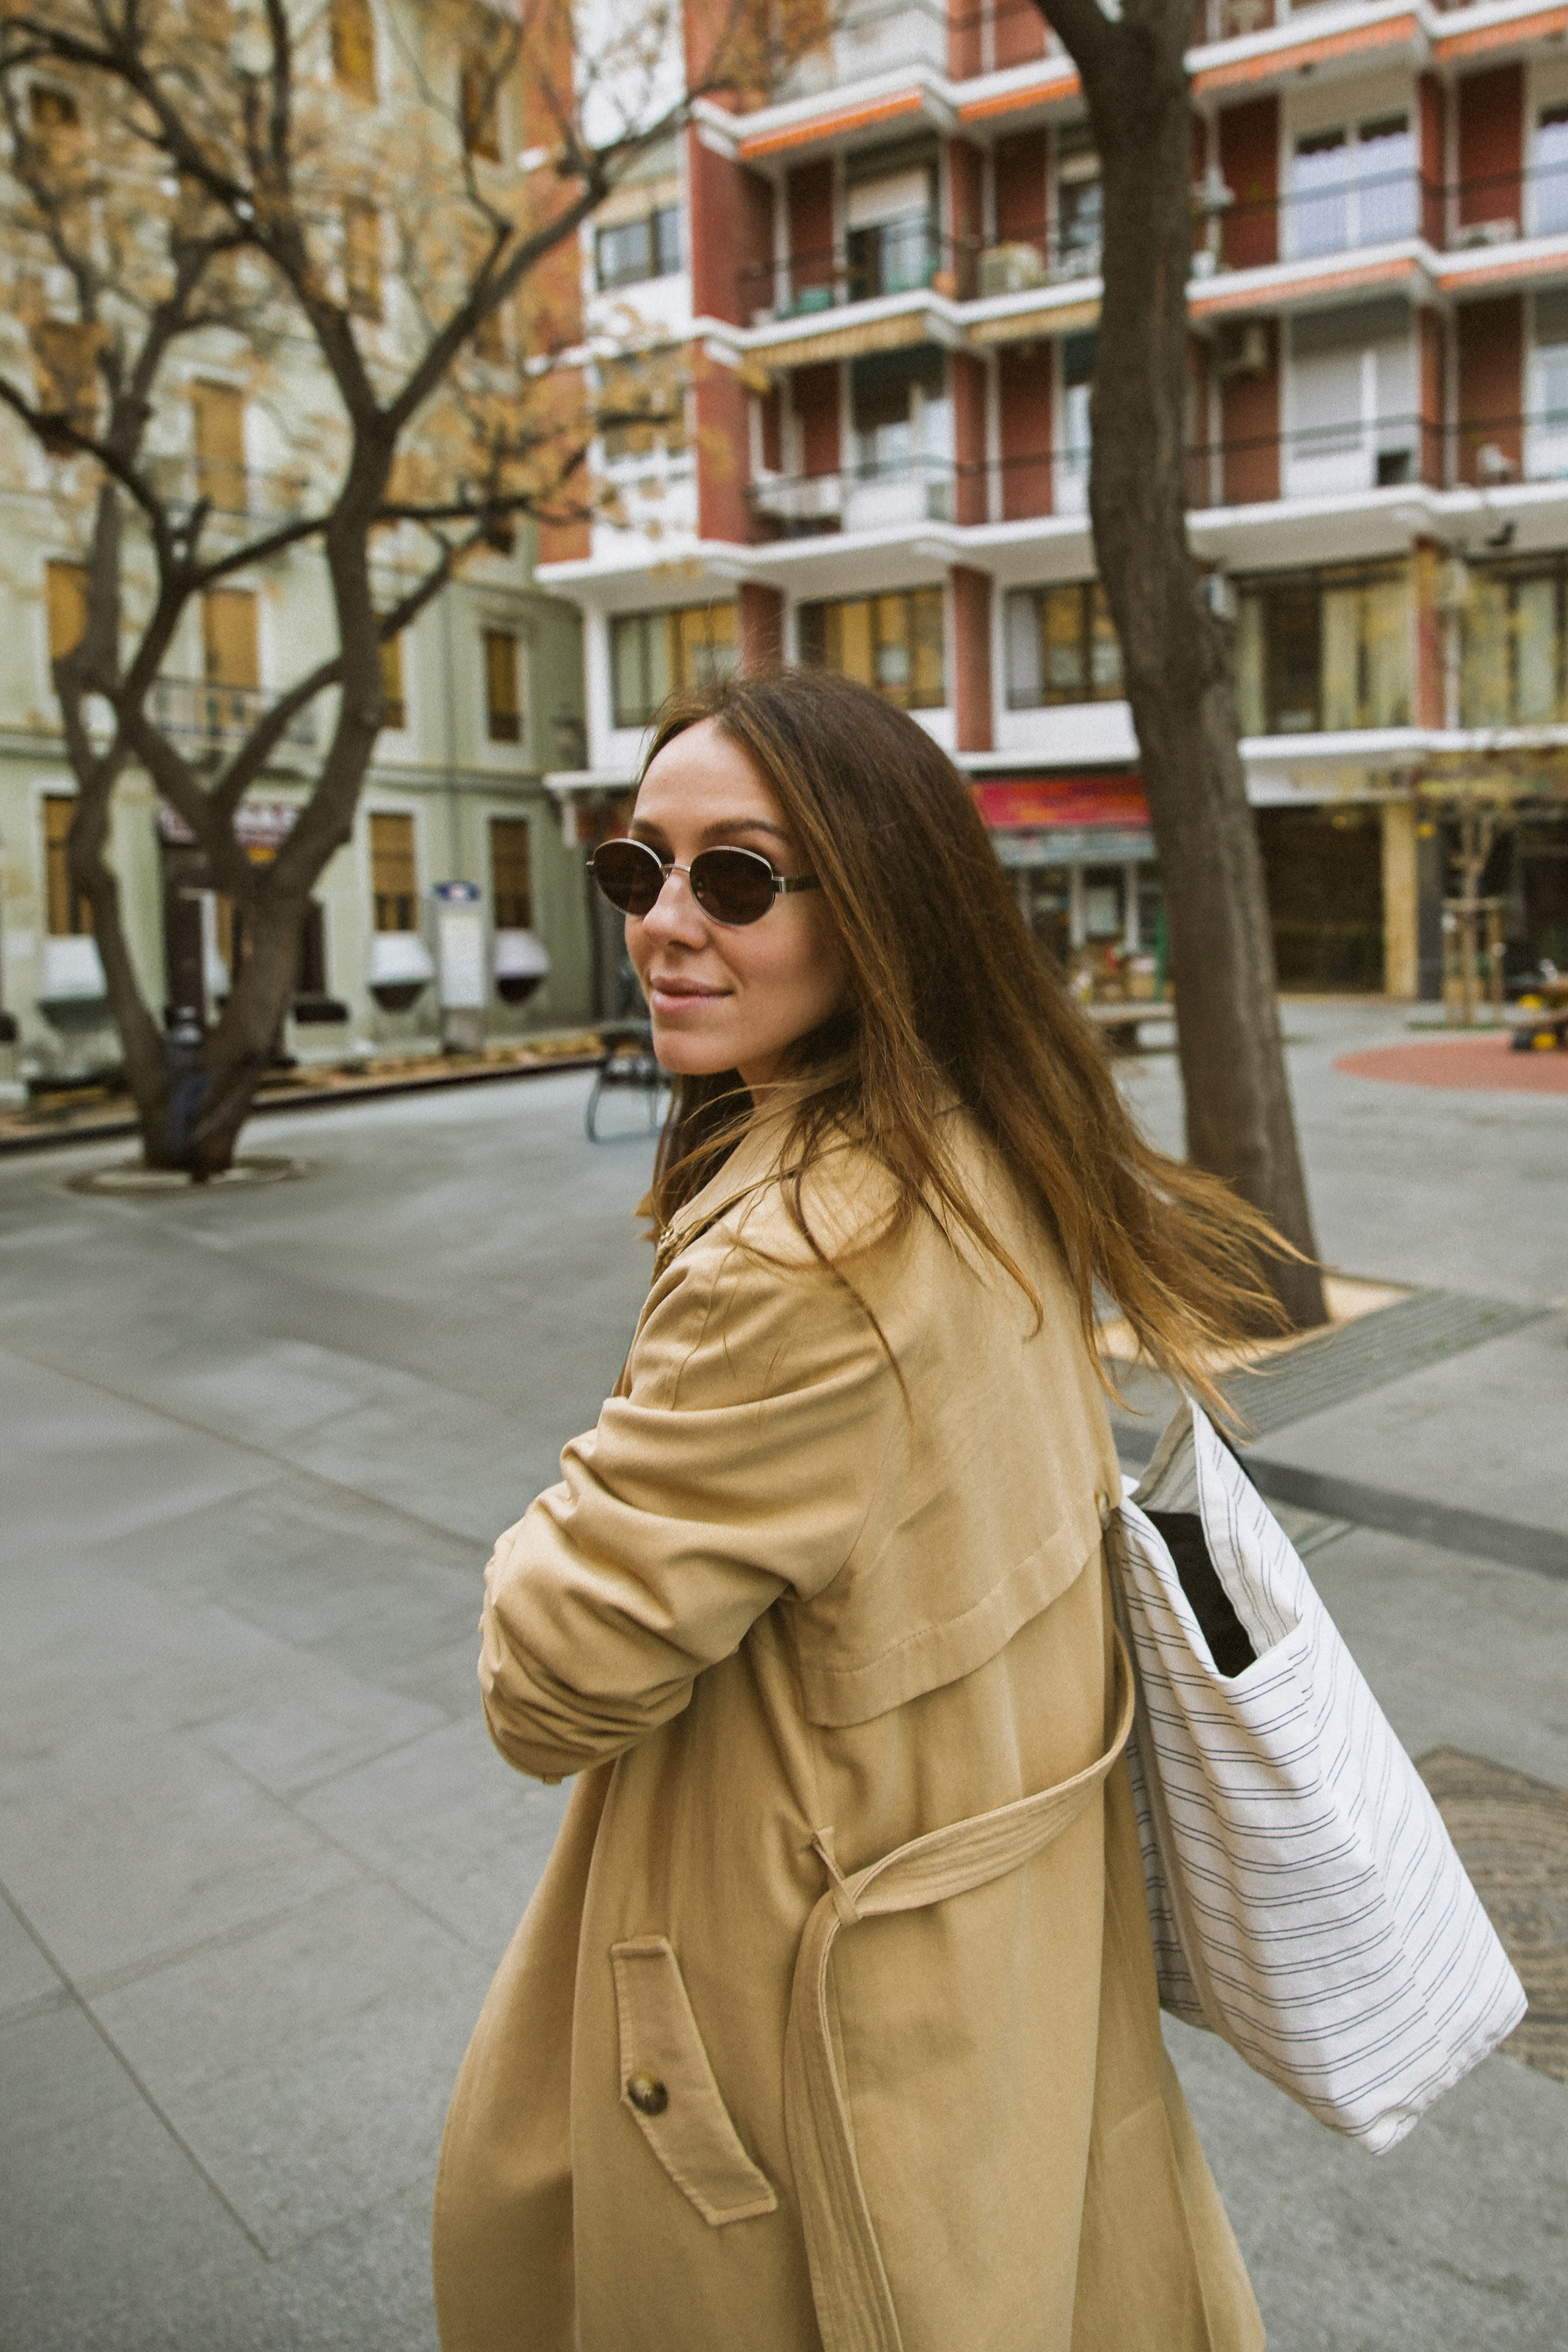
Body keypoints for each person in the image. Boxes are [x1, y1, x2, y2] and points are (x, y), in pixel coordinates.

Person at [433, 670, 1278, 2352]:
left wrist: (549, 1522)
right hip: (983, 1939)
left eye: (737, 877)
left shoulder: (798, 1256)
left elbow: (545, 1686)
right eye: (636, 871)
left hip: (803, 2006)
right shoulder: (982, 1141)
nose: (667, 924)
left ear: (878, 902)